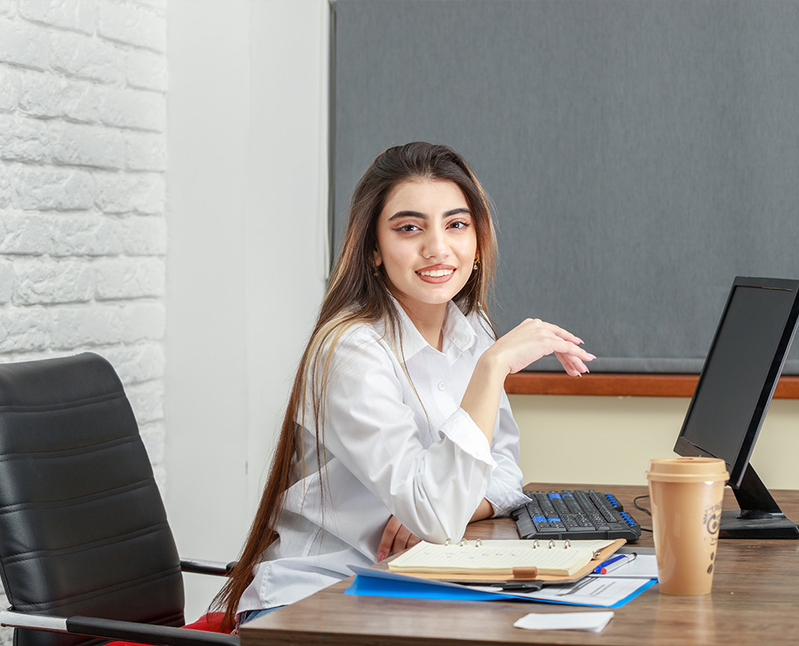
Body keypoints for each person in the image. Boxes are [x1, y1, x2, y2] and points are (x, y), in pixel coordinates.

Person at [214, 142, 594, 629]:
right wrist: (491, 368)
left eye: (456, 225)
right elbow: (439, 511)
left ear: (477, 243)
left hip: (405, 583)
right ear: (373, 248)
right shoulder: (349, 351)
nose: (437, 248)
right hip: (312, 600)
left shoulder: (470, 327)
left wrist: (447, 509)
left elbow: (503, 475)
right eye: (409, 228)